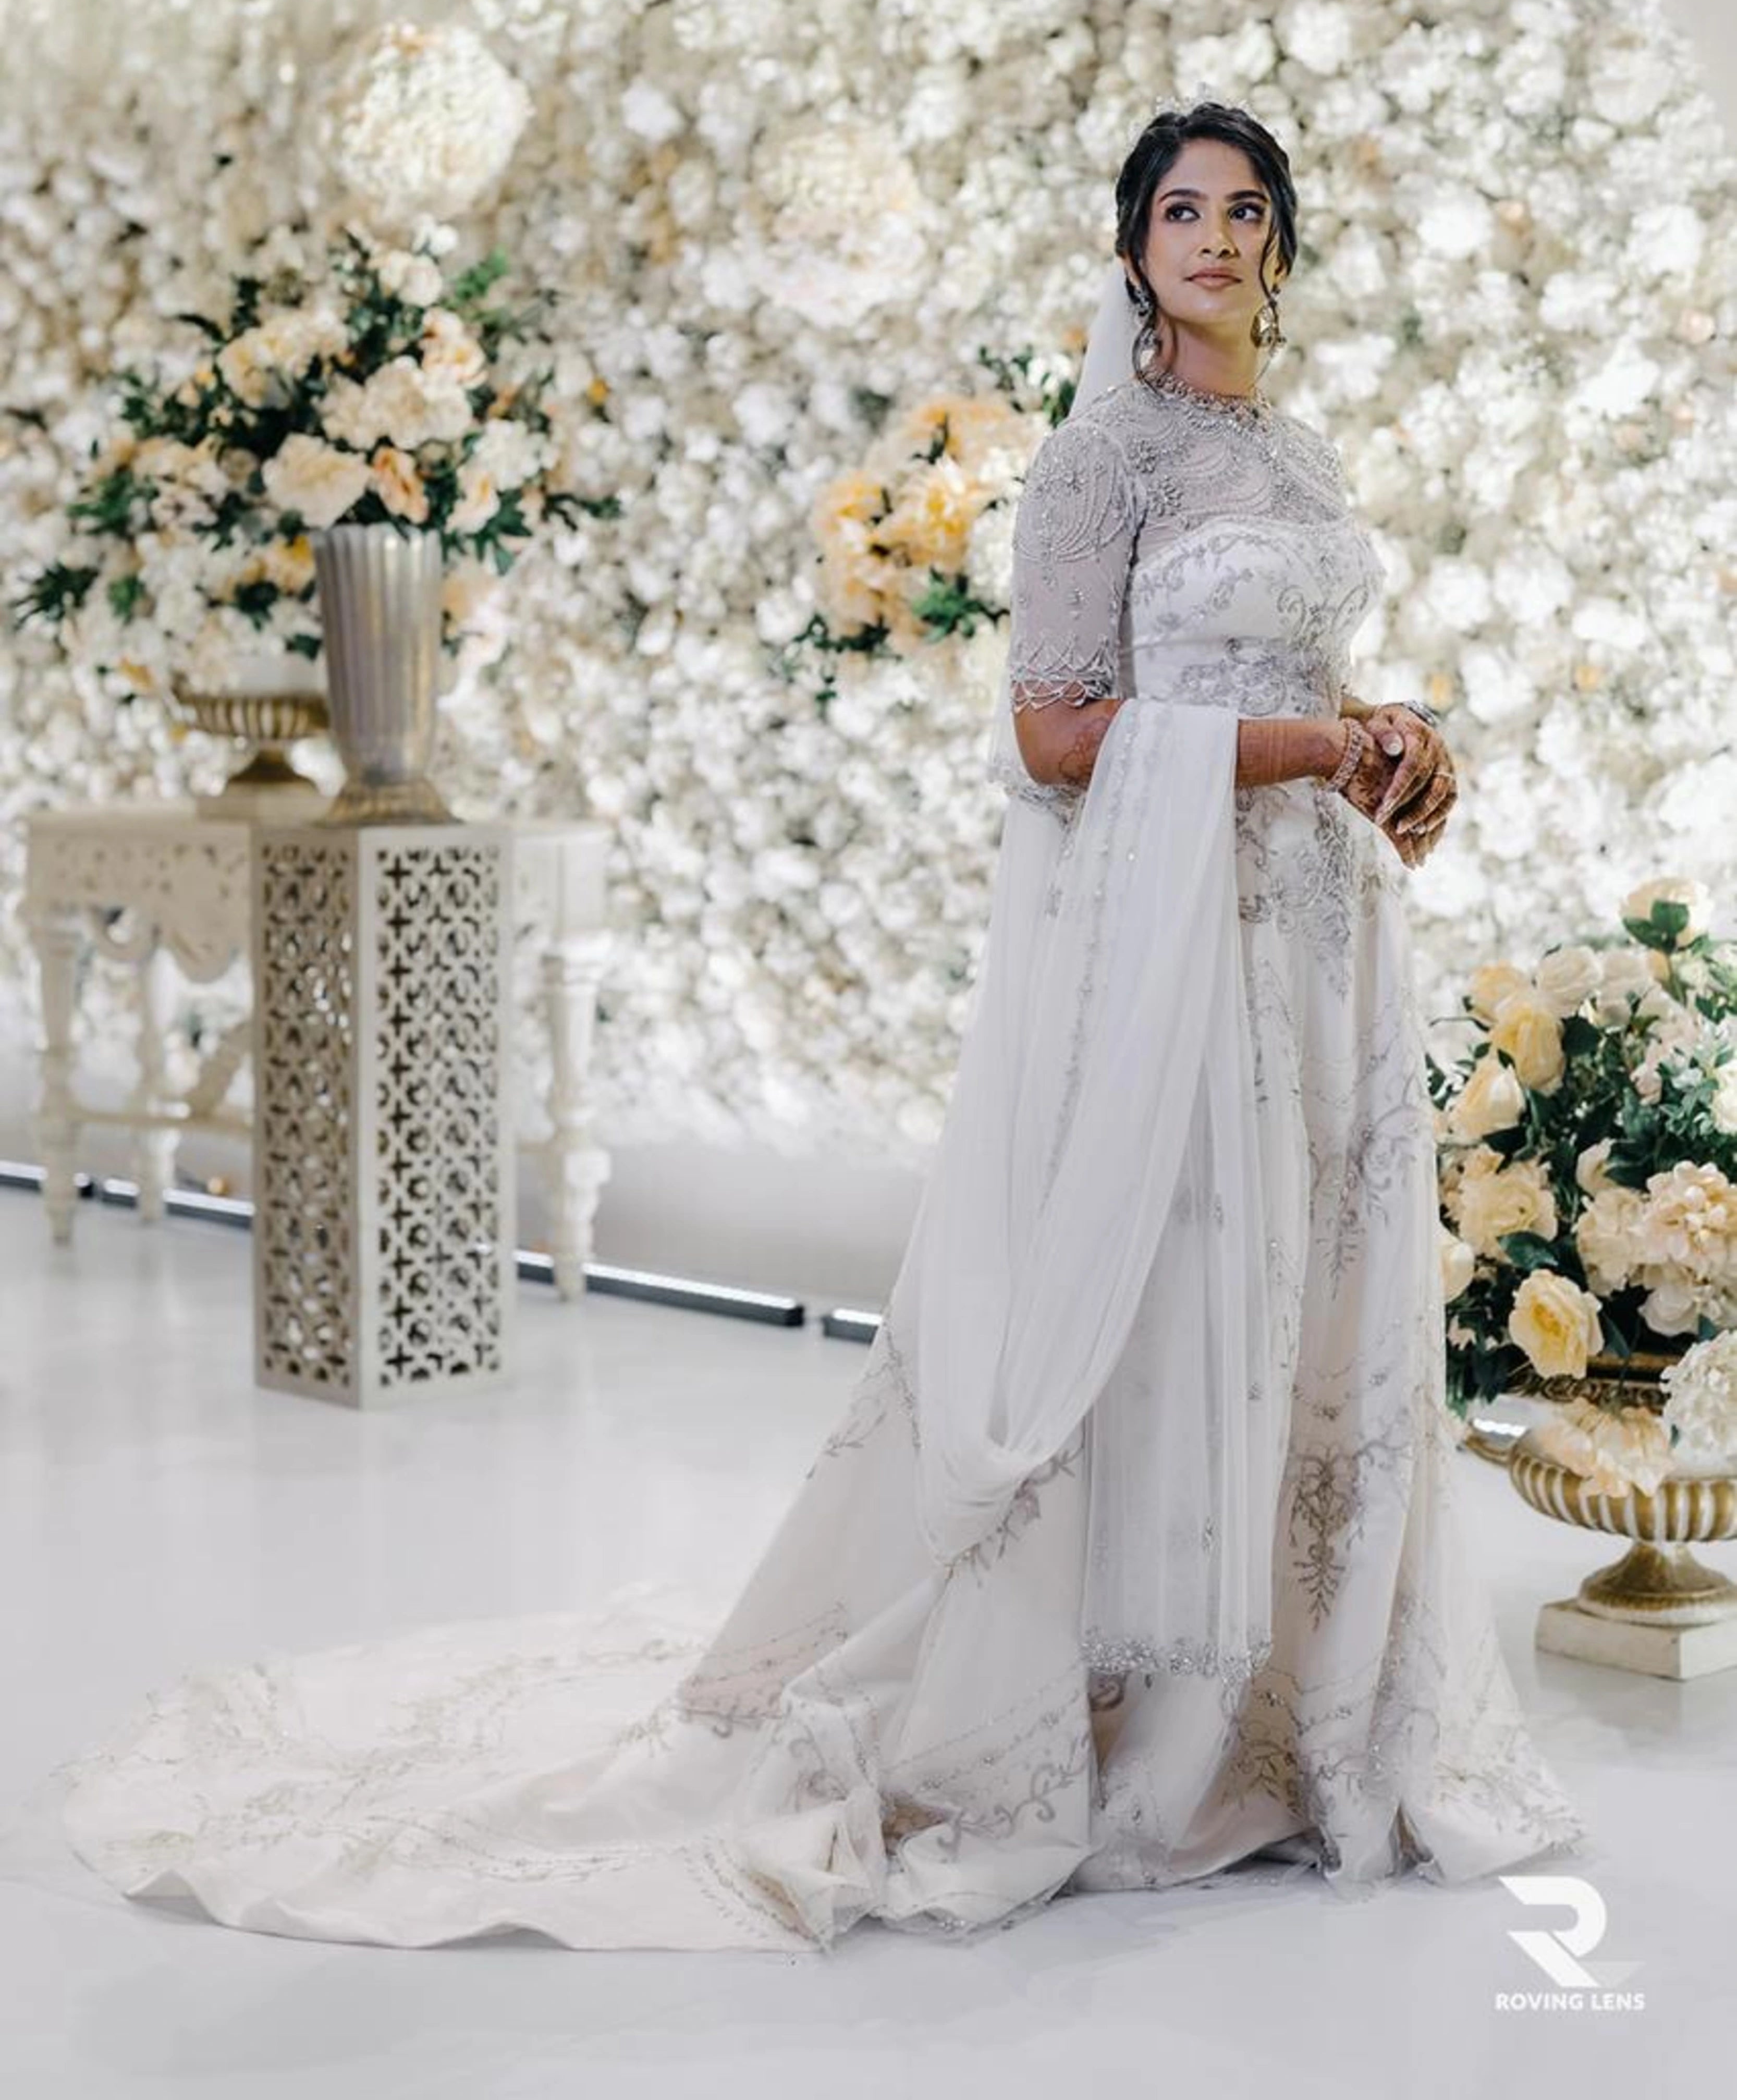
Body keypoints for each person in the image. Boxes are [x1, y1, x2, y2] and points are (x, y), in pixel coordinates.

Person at [27, 99, 1590, 1952]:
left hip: (1319, 944)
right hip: (1171, 945)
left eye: (1248, 209)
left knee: (1297, 1298)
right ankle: (1128, 1718)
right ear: (1127, 248)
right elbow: (1062, 734)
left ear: (1283, 244)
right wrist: (1318, 747)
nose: (1217, 238)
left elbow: (1288, 678)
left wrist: (1391, 743)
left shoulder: (1299, 459)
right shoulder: (1098, 462)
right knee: (1168, 1288)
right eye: (1181, 209)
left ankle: (1299, 1711)